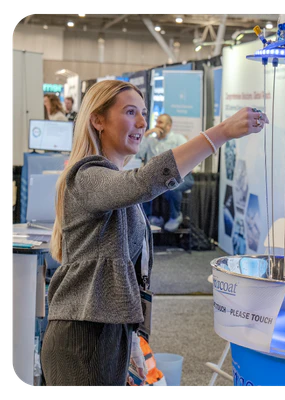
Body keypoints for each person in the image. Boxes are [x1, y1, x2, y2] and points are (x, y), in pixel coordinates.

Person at [41, 79, 268, 388]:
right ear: (97, 120)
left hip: (107, 330)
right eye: (130, 112)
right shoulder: (87, 175)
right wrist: (221, 133)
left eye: (144, 112)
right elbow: (146, 182)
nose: (142, 122)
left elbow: (128, 267)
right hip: (83, 335)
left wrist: (132, 334)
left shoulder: (111, 182)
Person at [136, 114, 193, 232]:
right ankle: (152, 217)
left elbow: (190, 157)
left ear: (169, 126)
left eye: (160, 122)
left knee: (172, 186)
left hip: (182, 176)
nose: (157, 125)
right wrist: (146, 136)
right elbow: (138, 155)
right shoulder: (151, 141)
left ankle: (175, 216)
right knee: (144, 185)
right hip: (157, 178)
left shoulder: (178, 139)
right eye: (156, 122)